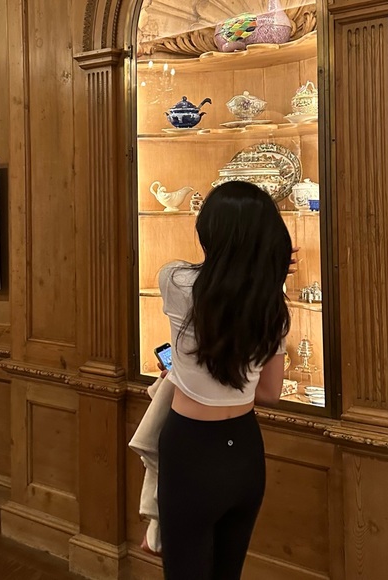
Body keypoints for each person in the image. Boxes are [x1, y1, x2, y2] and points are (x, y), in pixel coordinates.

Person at [157, 181, 294, 580]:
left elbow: (207, 279)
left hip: (191, 448)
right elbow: (270, 392)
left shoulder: (175, 280)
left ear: (208, 233)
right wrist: (269, 274)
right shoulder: (273, 306)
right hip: (245, 451)